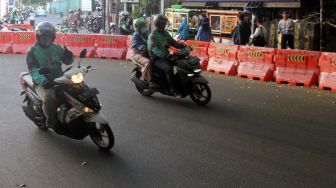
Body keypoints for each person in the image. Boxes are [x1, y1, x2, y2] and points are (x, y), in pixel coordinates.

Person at [26, 22, 74, 130]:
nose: (46, 39)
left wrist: (69, 55)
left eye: (49, 37)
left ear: (53, 37)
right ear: (38, 37)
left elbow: (67, 61)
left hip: (59, 79)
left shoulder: (56, 48)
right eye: (43, 37)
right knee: (49, 97)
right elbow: (33, 70)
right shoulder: (32, 51)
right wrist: (43, 81)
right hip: (42, 82)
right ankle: (51, 121)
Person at [147, 14, 185, 97]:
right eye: (164, 24)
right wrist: (164, 55)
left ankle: (178, 82)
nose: (165, 25)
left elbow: (172, 42)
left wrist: (181, 45)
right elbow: (154, 49)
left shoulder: (165, 33)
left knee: (181, 63)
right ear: (159, 24)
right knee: (168, 68)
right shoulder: (153, 36)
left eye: (165, 23)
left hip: (165, 56)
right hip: (156, 59)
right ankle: (173, 89)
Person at [131, 18, 155, 87]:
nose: (145, 27)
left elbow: (150, 41)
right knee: (148, 62)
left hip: (146, 52)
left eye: (144, 25)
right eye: (143, 26)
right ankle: (146, 80)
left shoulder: (145, 33)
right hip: (137, 54)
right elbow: (134, 45)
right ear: (138, 27)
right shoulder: (136, 35)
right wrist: (141, 47)